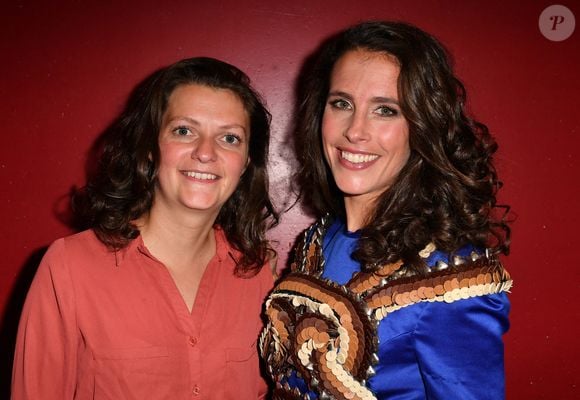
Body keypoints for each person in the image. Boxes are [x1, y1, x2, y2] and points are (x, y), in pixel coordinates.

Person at [259, 21, 512, 399]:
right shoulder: (318, 238)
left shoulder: (451, 278)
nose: (355, 131)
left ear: (422, 125)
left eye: (385, 110)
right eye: (341, 104)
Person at [12, 57, 278, 399]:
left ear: (245, 163)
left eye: (229, 138)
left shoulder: (256, 277)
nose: (205, 152)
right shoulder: (68, 268)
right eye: (184, 131)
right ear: (150, 148)